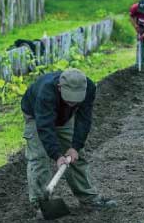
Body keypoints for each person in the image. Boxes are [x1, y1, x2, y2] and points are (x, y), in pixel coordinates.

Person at [21, 67, 117, 212]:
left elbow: (84, 119)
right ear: (60, 88)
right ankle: (40, 204)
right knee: (38, 157)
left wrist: (75, 147)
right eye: (69, 99)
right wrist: (57, 155)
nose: (72, 103)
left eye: (76, 100)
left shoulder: (89, 87)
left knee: (76, 157)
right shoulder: (46, 91)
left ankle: (88, 198)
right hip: (37, 116)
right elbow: (45, 126)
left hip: (65, 117)